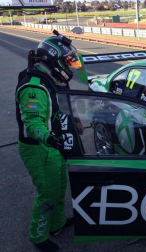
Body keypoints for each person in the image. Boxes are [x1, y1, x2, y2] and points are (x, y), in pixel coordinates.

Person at [15, 30, 84, 252]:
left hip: (52, 144)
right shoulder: (34, 86)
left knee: (59, 186)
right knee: (48, 193)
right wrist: (49, 138)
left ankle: (57, 224)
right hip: (37, 147)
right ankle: (38, 236)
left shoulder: (51, 79)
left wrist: (75, 120)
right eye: (67, 61)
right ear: (54, 60)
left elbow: (61, 104)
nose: (70, 66)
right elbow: (32, 123)